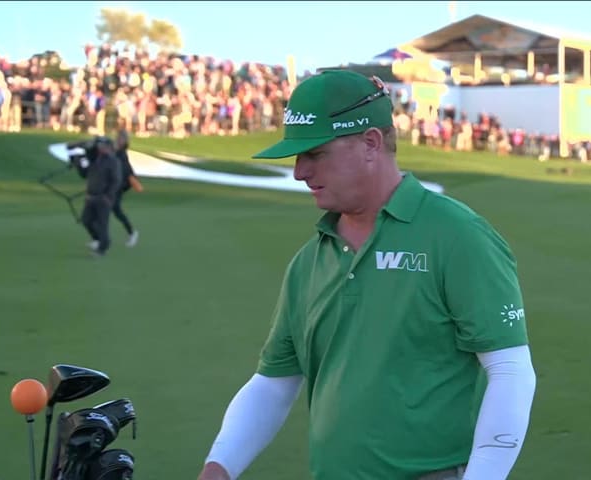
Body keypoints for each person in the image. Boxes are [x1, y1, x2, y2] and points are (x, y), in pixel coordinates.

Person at [197, 70, 537, 480]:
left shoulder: (457, 236)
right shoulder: (308, 263)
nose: (300, 172)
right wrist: (218, 468)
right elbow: (274, 384)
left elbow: (510, 371)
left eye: (316, 153)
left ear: (371, 143)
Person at [74, 136, 121, 257]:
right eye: (100, 146)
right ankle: (99, 240)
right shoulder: (94, 159)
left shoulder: (113, 161)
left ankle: (102, 249)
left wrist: (108, 196)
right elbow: (85, 174)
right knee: (86, 220)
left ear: (109, 147)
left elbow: (116, 181)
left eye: (103, 146)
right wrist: (78, 163)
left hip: (103, 198)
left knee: (102, 224)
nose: (100, 148)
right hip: (91, 197)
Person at [112, 129, 140, 247]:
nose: (118, 140)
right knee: (112, 211)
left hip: (118, 187)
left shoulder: (121, 154)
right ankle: (97, 238)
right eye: (118, 138)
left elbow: (124, 173)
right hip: (114, 186)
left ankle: (132, 232)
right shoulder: (116, 152)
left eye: (120, 138)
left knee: (115, 211)